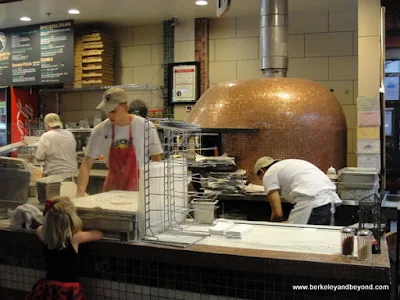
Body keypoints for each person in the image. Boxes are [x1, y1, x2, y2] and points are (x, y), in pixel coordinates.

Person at [77, 88, 163, 197]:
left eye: (113, 111)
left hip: (140, 193)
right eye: (108, 111)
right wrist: (79, 193)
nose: (110, 116)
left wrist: (157, 192)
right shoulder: (100, 130)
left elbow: (157, 160)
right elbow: (86, 164)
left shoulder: (145, 126)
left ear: (126, 107)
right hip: (112, 192)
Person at [26, 196, 103, 300]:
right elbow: (98, 234)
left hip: (48, 288)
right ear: (71, 218)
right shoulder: (75, 237)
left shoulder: (43, 234)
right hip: (68, 290)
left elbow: (39, 228)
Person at [254, 157, 342, 225]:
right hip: (329, 203)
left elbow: (277, 214)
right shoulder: (286, 165)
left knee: (295, 239)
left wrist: (269, 228)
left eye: (260, 178)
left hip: (312, 205)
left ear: (261, 172)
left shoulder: (268, 174)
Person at [36, 113, 78, 181]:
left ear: (47, 124)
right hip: (73, 175)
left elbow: (39, 158)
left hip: (56, 177)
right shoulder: (69, 134)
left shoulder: (46, 136)